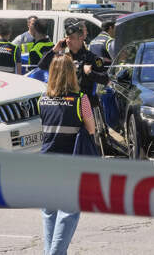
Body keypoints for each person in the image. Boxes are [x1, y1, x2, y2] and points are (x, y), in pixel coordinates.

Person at [39, 55, 95, 255]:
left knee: (49, 212)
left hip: (46, 161)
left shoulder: (42, 99)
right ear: (72, 74)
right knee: (68, 211)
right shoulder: (81, 100)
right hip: (71, 163)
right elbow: (91, 129)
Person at [38, 21, 109, 109]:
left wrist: (90, 73)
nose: (68, 40)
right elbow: (41, 66)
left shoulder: (92, 58)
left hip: (84, 104)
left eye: (71, 38)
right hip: (65, 104)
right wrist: (54, 50)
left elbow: (105, 79)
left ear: (81, 38)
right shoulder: (63, 58)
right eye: (67, 38)